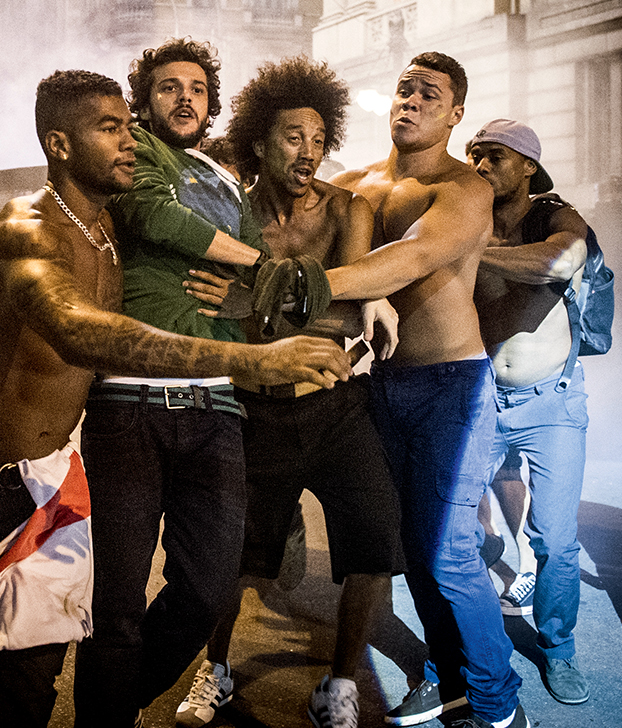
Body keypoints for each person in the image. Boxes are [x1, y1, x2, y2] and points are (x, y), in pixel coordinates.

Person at [0, 69, 351, 728]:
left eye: (129, 128)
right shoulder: (24, 230)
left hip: (47, 489)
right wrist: (254, 360)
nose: (131, 142)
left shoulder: (115, 241)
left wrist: (259, 302)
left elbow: (202, 276)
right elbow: (80, 331)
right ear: (60, 144)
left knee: (33, 676)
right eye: (110, 129)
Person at [73, 39, 302, 726]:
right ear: (143, 100)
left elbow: (260, 292)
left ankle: (112, 704)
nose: (184, 98)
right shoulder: (135, 154)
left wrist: (255, 290)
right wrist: (261, 266)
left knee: (205, 593)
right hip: (129, 403)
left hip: (216, 408)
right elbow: (153, 217)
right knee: (115, 601)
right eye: (168, 87)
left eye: (198, 89)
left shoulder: (224, 178)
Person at [176, 56, 405, 728]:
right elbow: (208, 308)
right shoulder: (231, 212)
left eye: (316, 138)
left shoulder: (349, 209)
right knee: (233, 555)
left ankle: (339, 684)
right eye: (291, 138)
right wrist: (261, 309)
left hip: (337, 407)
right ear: (258, 143)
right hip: (254, 410)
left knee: (374, 542)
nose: (308, 153)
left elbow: (347, 304)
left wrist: (252, 296)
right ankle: (213, 668)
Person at [323, 53, 526, 728]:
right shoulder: (355, 185)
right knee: (413, 550)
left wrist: (311, 286)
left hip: (453, 389)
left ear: (455, 114)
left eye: (429, 94)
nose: (411, 100)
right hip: (385, 387)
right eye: (405, 89)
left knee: (447, 551)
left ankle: (498, 697)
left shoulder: (464, 189)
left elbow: (407, 259)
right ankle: (447, 674)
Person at [467, 119, 592, 706]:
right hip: (482, 397)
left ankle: (558, 649)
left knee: (557, 540)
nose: (481, 165)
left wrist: (478, 254)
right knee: (448, 524)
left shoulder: (554, 214)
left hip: (552, 401)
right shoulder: (465, 214)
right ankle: (494, 565)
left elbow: (561, 263)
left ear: (528, 168)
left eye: (495, 156)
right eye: (475, 155)